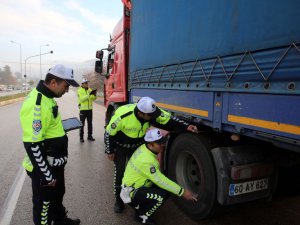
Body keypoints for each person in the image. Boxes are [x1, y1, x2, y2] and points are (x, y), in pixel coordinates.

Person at [104, 96, 198, 213]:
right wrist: (109, 150)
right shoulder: (123, 116)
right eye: (151, 116)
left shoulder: (151, 112)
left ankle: (138, 197)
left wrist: (186, 126)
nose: (154, 117)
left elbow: (169, 119)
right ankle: (118, 201)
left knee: (140, 171)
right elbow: (108, 133)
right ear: (140, 113)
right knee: (120, 173)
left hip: (137, 144)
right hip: (121, 146)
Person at [20, 64, 81, 225]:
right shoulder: (37, 104)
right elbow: (33, 145)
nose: (67, 90)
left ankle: (60, 220)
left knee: (58, 194)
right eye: (66, 86)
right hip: (44, 168)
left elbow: (49, 128)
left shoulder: (48, 97)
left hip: (55, 163)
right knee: (44, 206)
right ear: (53, 82)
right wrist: (46, 176)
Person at [121, 128, 198, 225]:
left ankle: (140, 207)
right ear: (150, 144)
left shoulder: (144, 148)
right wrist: (182, 192)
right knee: (160, 197)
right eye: (159, 143)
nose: (163, 145)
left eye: (162, 141)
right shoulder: (146, 160)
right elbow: (160, 180)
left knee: (167, 189)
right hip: (131, 192)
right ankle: (141, 216)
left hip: (134, 186)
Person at [77, 78, 97, 142]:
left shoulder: (90, 89)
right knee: (82, 124)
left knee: (90, 124)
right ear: (82, 84)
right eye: (85, 83)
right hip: (83, 110)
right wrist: (89, 94)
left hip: (90, 110)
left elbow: (93, 99)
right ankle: (81, 137)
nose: (87, 84)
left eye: (87, 83)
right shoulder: (79, 90)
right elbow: (82, 99)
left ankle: (89, 136)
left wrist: (94, 95)